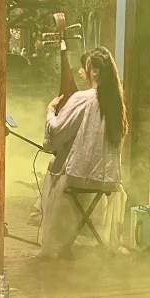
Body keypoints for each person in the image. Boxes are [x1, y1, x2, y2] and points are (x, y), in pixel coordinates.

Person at [38, 46, 128, 257]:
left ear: (94, 72)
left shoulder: (83, 98)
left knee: (55, 168)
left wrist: (50, 111)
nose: (81, 71)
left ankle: (58, 237)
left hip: (80, 178)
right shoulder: (116, 101)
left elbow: (57, 130)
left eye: (84, 67)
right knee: (68, 166)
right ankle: (80, 233)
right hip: (110, 180)